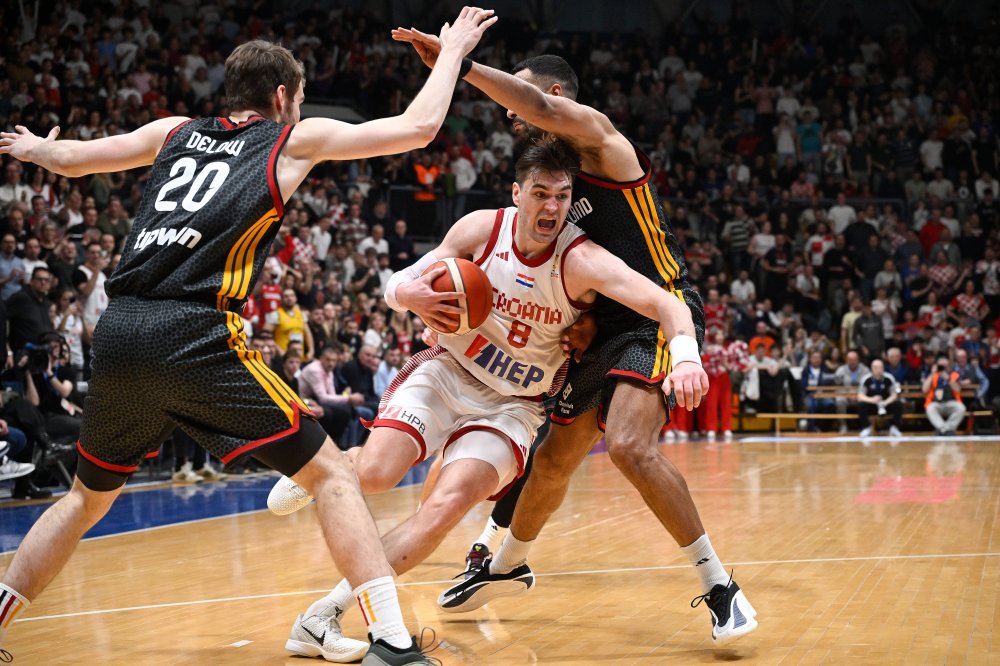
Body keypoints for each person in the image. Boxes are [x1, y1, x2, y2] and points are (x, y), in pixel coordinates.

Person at [0, 11, 498, 662]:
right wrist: (454, 50)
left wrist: (34, 150)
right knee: (332, 475)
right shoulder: (288, 139)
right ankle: (392, 642)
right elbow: (418, 128)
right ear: (283, 97)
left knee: (83, 500)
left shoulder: (174, 131)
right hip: (193, 329)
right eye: (298, 99)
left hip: (119, 329)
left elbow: (73, 160)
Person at [267, 139, 721, 654]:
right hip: (449, 371)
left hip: (513, 406)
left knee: (443, 508)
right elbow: (404, 281)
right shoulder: (481, 230)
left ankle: (322, 615)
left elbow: (669, 304)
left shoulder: (582, 260)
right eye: (540, 193)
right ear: (517, 193)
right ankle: (332, 466)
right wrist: (405, 295)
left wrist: (686, 357)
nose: (551, 207)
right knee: (374, 474)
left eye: (562, 196)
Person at [389, 36, 754, 640]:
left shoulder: (605, 143)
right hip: (602, 324)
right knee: (554, 459)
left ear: (554, 96)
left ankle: (719, 586)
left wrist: (463, 64)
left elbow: (540, 110)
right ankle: (507, 562)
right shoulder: (556, 182)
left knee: (629, 446)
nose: (510, 115)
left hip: (657, 314)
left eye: (519, 100)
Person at [856, 359, 903, 437]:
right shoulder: (866, 379)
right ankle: (866, 428)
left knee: (898, 404)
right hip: (872, 405)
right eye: (876, 367)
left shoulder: (889, 378)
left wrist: (885, 402)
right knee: (861, 405)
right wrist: (872, 400)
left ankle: (894, 427)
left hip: (886, 404)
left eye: (880, 367)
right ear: (871, 368)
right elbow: (860, 396)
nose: (878, 370)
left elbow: (894, 395)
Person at [922, 356, 966, 436]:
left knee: (961, 408)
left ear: (948, 366)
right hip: (936, 403)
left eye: (944, 366)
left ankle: (944, 430)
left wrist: (947, 378)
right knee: (930, 408)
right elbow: (924, 389)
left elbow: (958, 389)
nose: (942, 368)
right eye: (940, 366)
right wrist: (932, 374)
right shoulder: (933, 375)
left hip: (951, 402)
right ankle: (946, 430)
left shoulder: (954, 374)